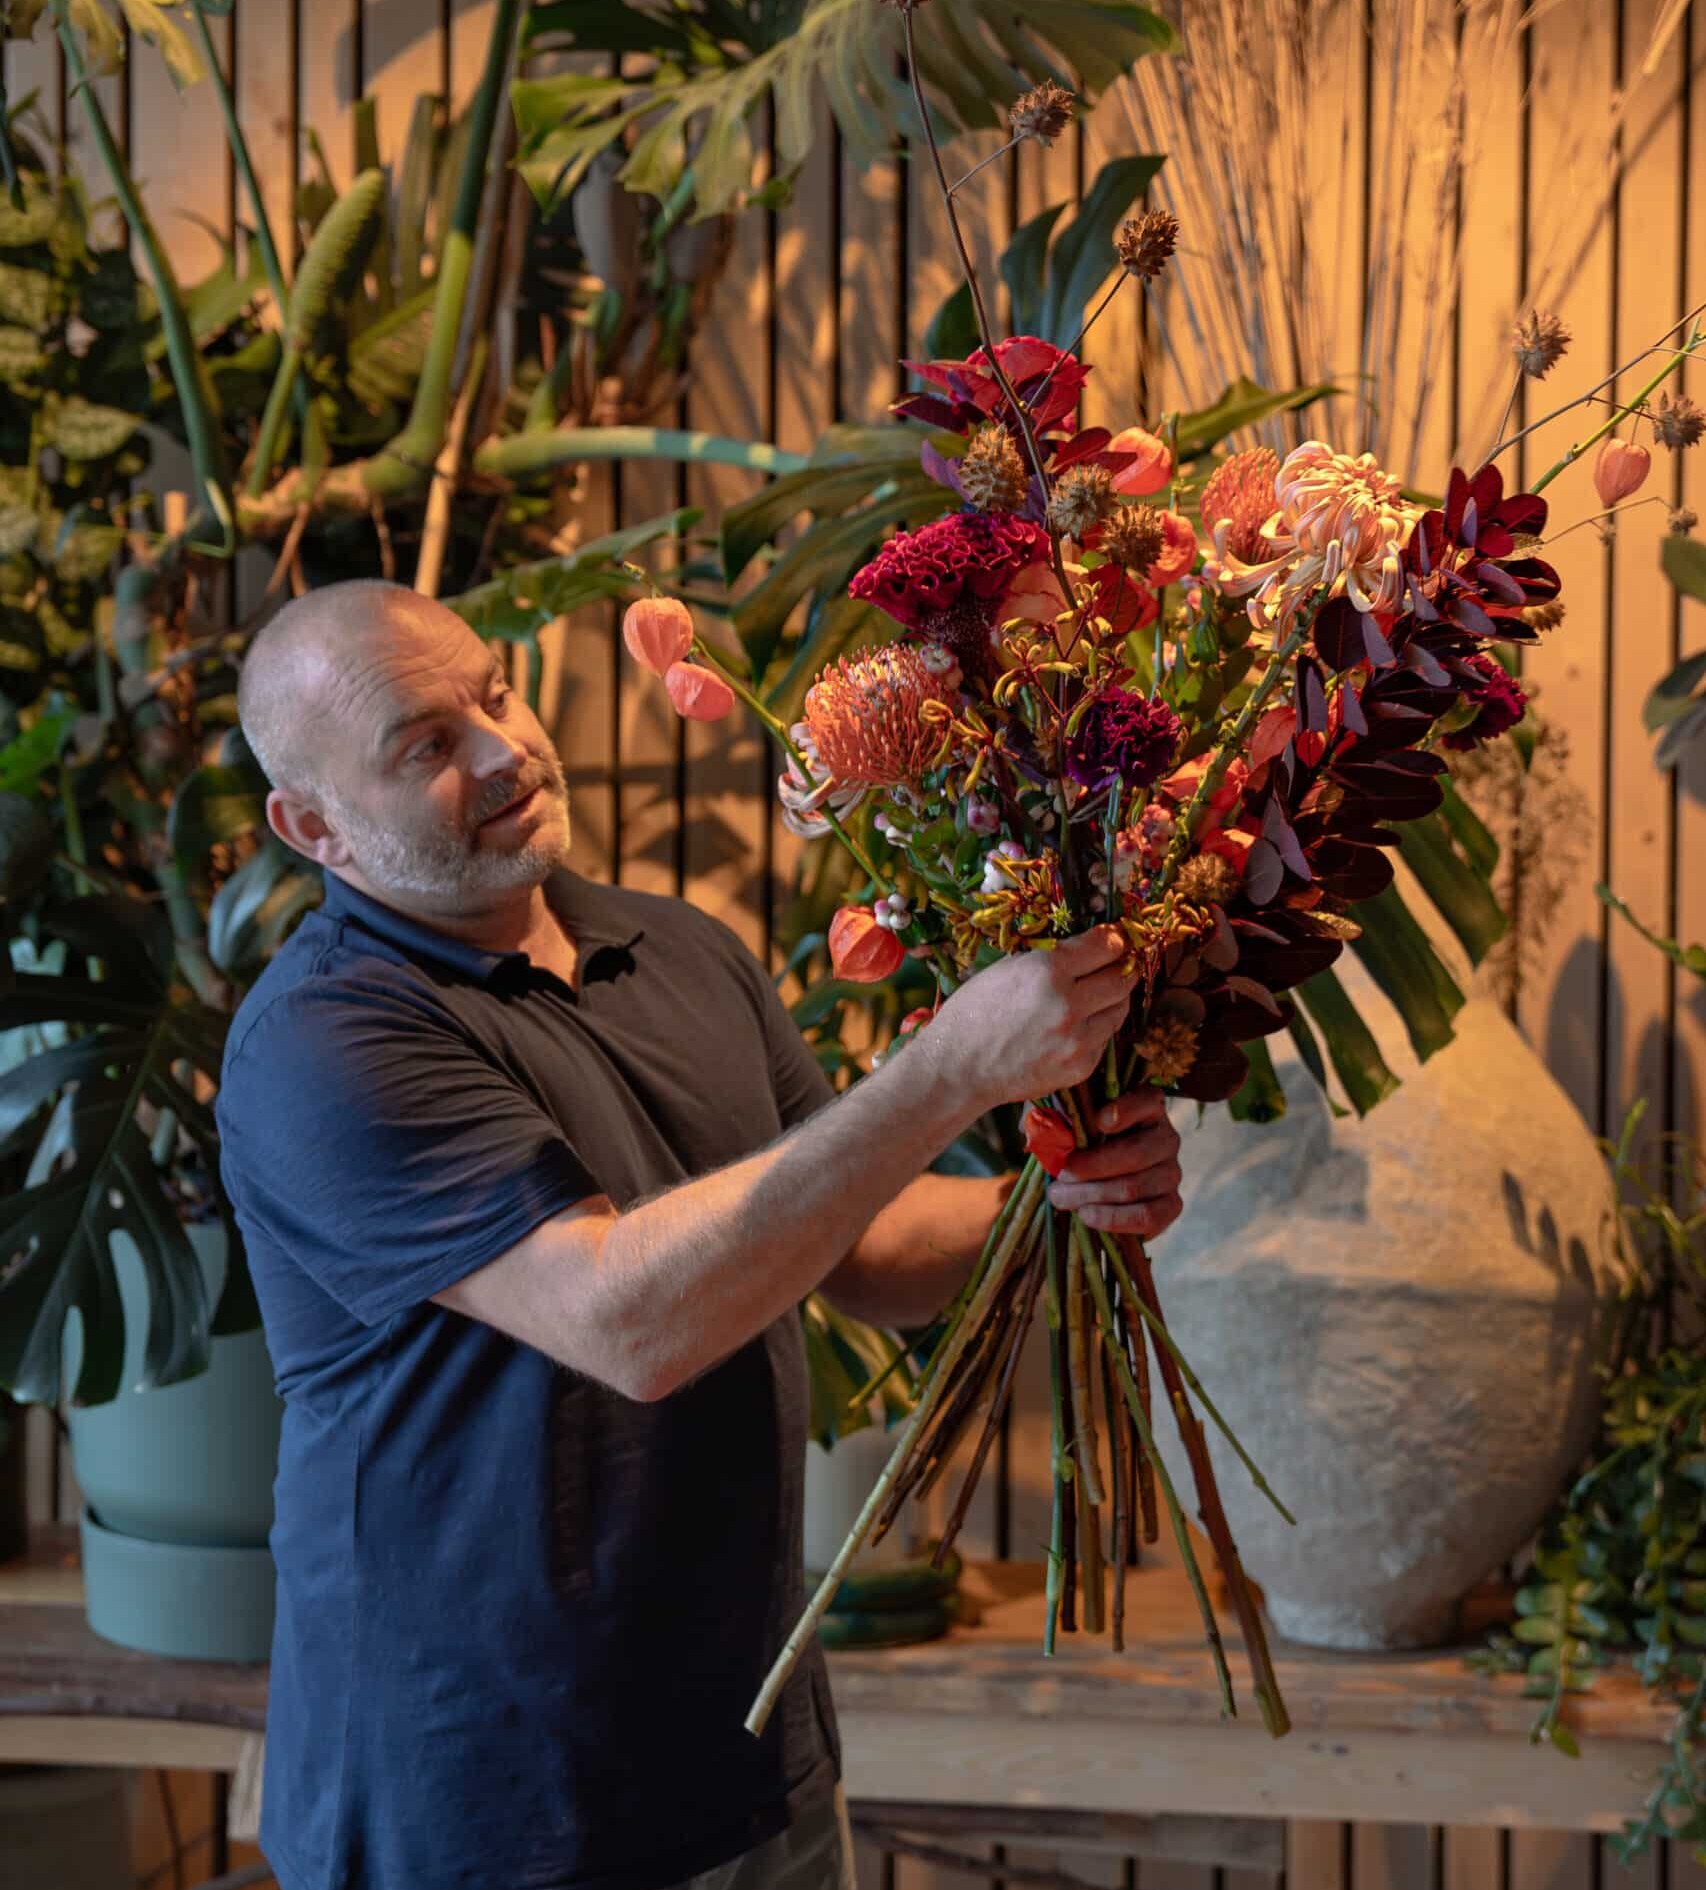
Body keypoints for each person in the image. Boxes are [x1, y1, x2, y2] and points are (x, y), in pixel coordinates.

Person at [216, 578, 1185, 1890]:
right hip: (479, 1802)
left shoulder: (676, 948)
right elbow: (627, 1319)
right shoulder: (325, 1039)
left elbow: (862, 1240)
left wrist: (1048, 1197)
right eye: (426, 746)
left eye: (494, 696)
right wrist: (948, 1074)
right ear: (311, 823)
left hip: (744, 1753)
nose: (504, 750)